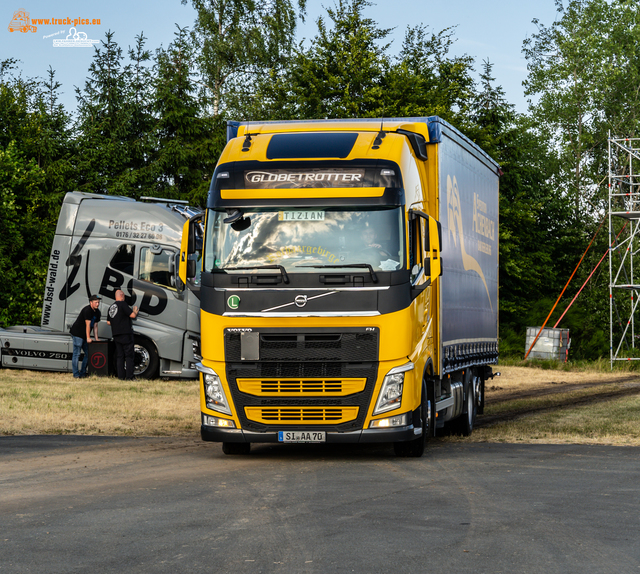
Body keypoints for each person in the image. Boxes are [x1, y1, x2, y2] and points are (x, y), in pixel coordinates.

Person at [107, 290, 139, 380]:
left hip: (116, 334)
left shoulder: (111, 307)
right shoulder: (123, 304)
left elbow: (108, 322)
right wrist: (135, 311)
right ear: (121, 295)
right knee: (129, 356)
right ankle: (129, 377)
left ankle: (120, 377)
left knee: (120, 356)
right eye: (124, 296)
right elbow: (132, 315)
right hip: (125, 334)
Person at [70, 294, 101, 378]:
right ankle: (76, 375)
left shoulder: (97, 312)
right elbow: (88, 325)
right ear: (91, 302)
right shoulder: (87, 310)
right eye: (95, 302)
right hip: (77, 333)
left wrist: (96, 338)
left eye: (98, 302)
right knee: (77, 354)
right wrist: (88, 338)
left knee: (89, 353)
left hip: (84, 334)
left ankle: (83, 373)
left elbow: (95, 325)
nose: (97, 304)